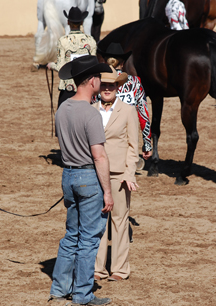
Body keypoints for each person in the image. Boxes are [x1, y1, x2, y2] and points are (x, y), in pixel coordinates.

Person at [49, 55, 113, 306]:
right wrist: (107, 192)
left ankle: (59, 288)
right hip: (88, 177)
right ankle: (83, 294)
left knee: (71, 235)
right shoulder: (91, 114)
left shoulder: (63, 108)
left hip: (68, 174)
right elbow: (99, 156)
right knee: (88, 239)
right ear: (92, 81)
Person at [92, 66, 139, 282]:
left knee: (119, 220)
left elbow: (133, 146)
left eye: (112, 85)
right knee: (98, 220)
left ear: (118, 87)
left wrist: (130, 173)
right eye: (104, 85)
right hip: (94, 173)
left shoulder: (129, 110)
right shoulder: (90, 109)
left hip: (119, 174)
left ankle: (120, 269)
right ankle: (98, 269)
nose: (108, 88)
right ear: (98, 87)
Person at [94, 43, 152, 164]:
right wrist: (147, 143)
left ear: (105, 62)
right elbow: (143, 113)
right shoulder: (135, 82)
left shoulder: (98, 83)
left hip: (102, 138)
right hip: (126, 139)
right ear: (122, 63)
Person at [47, 6, 97, 108]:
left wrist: (51, 65)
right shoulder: (91, 41)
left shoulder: (63, 41)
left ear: (68, 22)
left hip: (69, 88)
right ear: (82, 22)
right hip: (86, 89)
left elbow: (60, 67)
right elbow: (94, 66)